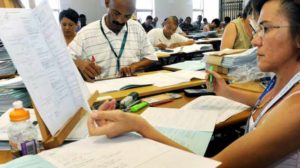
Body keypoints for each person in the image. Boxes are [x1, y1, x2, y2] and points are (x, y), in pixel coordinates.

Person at [87, 0, 300, 167]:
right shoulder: (281, 82)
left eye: (266, 29)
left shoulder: (295, 111)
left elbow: (214, 165)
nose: (254, 41)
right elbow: (267, 102)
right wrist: (225, 91)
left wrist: (139, 125)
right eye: (256, 30)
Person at [68, 0, 157, 81]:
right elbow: (64, 58)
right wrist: (79, 63)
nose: (121, 20)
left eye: (127, 16)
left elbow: (151, 57)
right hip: (101, 92)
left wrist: (134, 66)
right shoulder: (86, 32)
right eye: (117, 13)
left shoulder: (137, 28)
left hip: (132, 87)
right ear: (107, 3)